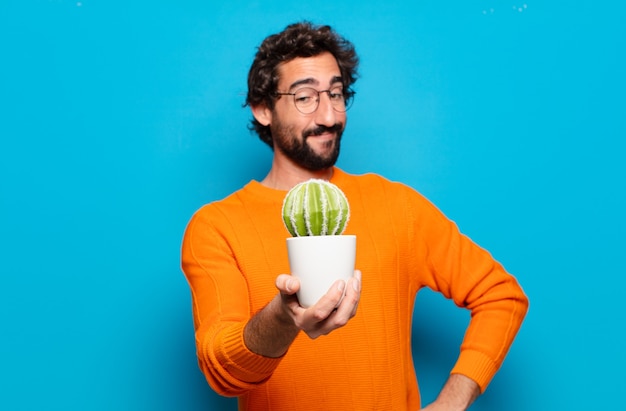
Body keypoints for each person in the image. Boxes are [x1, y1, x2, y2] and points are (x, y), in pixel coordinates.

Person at [181, 21, 528, 411]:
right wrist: (283, 316)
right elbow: (221, 371)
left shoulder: (398, 206)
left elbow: (501, 294)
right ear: (263, 108)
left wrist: (452, 401)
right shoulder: (217, 227)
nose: (329, 115)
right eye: (305, 97)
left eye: (336, 93)